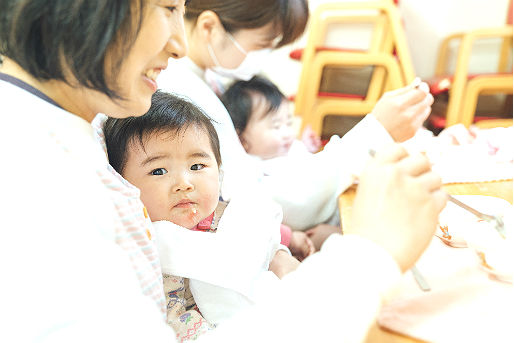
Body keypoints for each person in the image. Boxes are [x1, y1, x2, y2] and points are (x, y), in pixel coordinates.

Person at [0, 1, 446, 342]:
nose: (178, 42)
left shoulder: (58, 130)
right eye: (169, 8)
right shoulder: (32, 175)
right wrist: (368, 261)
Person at [157, 0, 436, 248]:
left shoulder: (206, 79)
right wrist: (374, 133)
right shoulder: (181, 92)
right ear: (209, 28)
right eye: (261, 46)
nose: (264, 56)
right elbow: (253, 202)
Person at [103, 90, 299, 326]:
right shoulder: (151, 249)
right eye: (159, 171)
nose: (184, 184)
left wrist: (282, 253)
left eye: (197, 166)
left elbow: (264, 240)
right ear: (124, 186)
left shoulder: (228, 215)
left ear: (219, 172)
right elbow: (176, 323)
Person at [221, 75, 329, 253]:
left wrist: (306, 147)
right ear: (240, 138)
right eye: (276, 126)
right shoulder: (250, 168)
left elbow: (302, 162)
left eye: (289, 122)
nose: (287, 133)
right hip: (295, 231)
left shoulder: (287, 148)